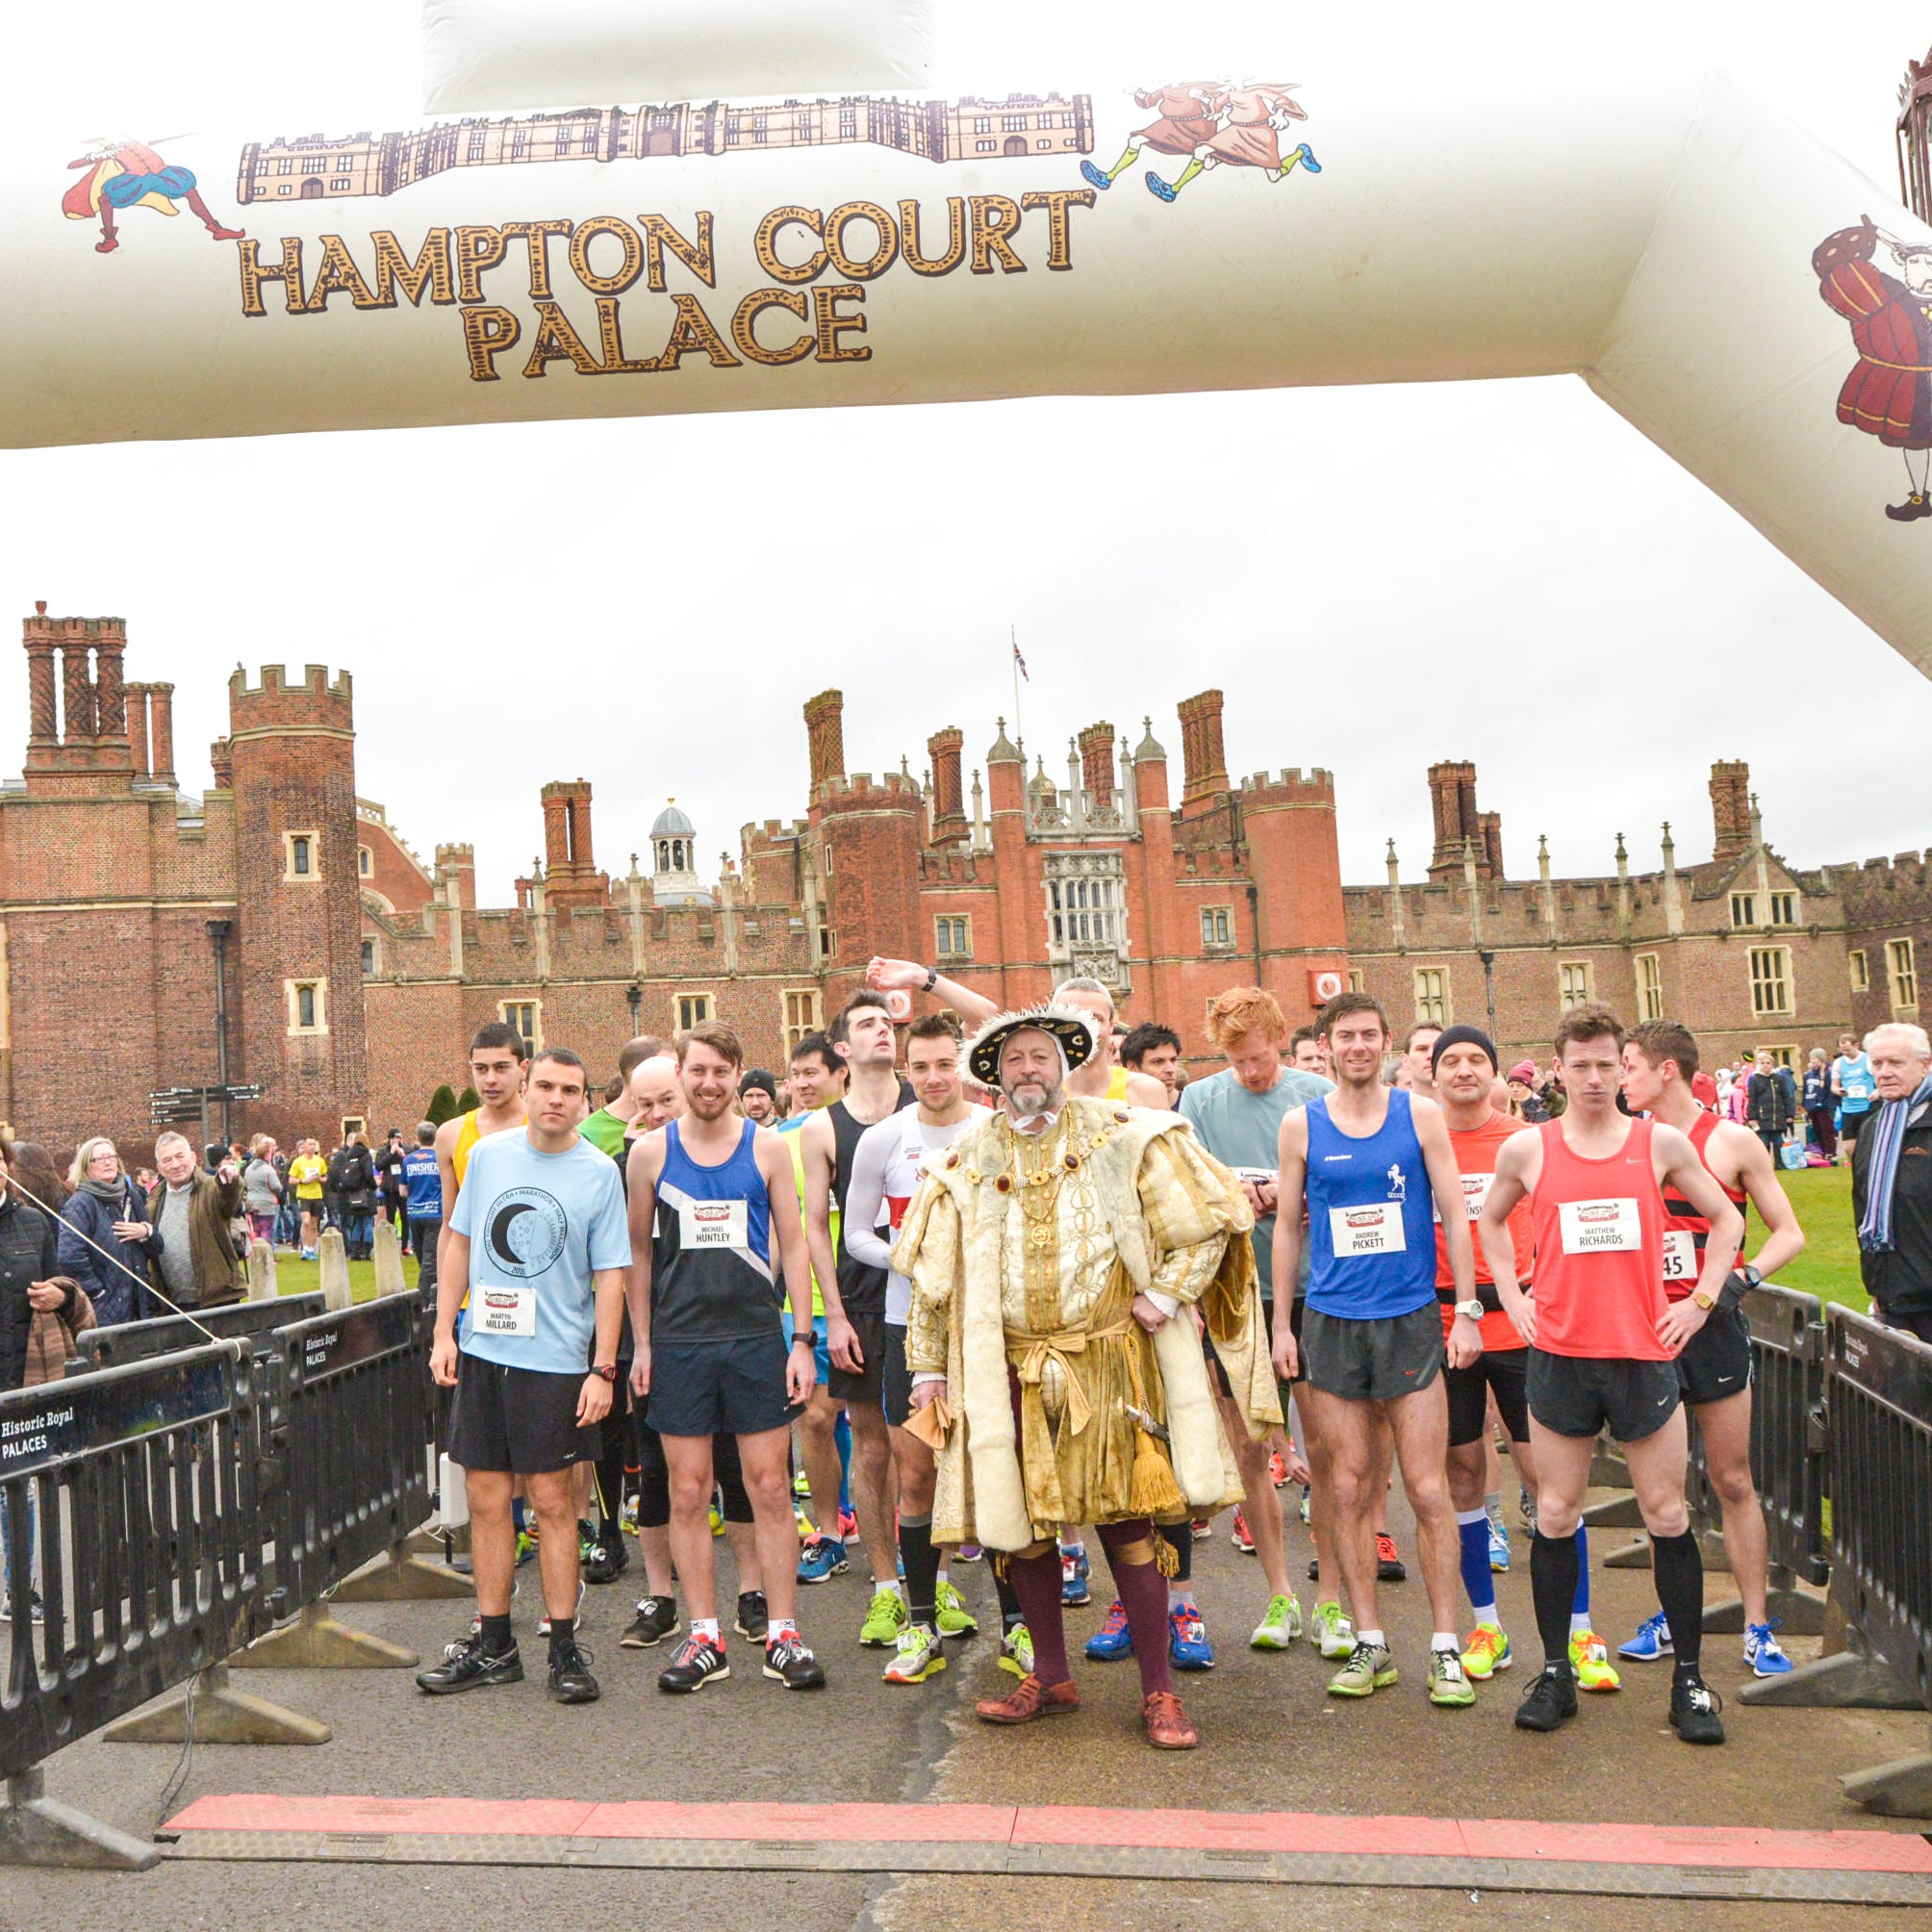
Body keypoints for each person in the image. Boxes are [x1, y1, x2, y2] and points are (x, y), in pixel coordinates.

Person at [896, 1003, 1271, 1749]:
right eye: (1014, 1061)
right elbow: (934, 1280)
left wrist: (1163, 1297)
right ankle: (1052, 1673)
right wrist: (928, 1370)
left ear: (1062, 1066)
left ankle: (1159, 1691)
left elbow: (1210, 1221)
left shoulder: (1122, 1135)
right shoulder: (967, 1156)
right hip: (1005, 1371)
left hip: (1109, 1363)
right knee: (1023, 1530)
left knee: (1129, 1522)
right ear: (995, 1077)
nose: (1028, 1070)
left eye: (1040, 1057)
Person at [1477, 1004, 1742, 1744]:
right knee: (1556, 1514)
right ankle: (1556, 1672)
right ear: (1558, 1068)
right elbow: (1491, 1224)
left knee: (1667, 1516)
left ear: (1622, 1066)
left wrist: (1700, 1302)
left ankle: (1690, 1681)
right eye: (1581, 1065)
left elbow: (1727, 1222)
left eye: (1606, 1064)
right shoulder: (1529, 1150)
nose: (1595, 1078)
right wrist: (1511, 1296)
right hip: (1560, 1356)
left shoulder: (1657, 1143)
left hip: (1645, 1355)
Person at [1272, 992, 1481, 1708]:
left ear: (1386, 1041)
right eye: (1345, 1036)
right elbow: (1288, 1230)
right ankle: (1370, 1641)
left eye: (1368, 1034)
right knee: (1349, 1487)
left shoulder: (1417, 1114)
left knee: (1427, 1489)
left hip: (1410, 1317)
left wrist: (1468, 1311)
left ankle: (1446, 1647)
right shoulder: (1301, 1124)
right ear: (1326, 1047)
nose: (1357, 1046)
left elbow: (1455, 1211)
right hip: (1331, 1320)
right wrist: (1281, 1325)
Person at [419, 1047, 627, 1706]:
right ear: (527, 1089)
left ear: (585, 1099)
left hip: (558, 1361)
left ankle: (564, 1645)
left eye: (570, 1088)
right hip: (486, 1352)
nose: (555, 1099)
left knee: (554, 1503)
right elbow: (460, 1240)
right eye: (546, 1086)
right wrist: (444, 1331)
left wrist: (603, 1368)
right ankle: (494, 1643)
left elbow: (611, 1274)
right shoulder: (487, 1156)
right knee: (485, 1499)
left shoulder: (598, 1173)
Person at [627, 1021, 826, 1693]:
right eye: (698, 1071)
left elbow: (795, 1246)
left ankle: (783, 1633)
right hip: (680, 1342)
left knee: (769, 1488)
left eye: (721, 1071)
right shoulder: (650, 1156)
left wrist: (802, 1338)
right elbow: (637, 1255)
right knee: (687, 1492)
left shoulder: (768, 1148)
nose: (709, 1083)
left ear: (738, 1074)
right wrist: (644, 1344)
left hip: (754, 1340)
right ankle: (703, 1634)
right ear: (679, 1074)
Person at [1615, 1021, 1806, 1678]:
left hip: (1712, 1326)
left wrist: (1740, 1279)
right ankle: (1674, 1615)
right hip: (1647, 1328)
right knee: (1663, 1493)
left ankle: (1757, 1625)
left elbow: (1788, 1233)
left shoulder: (1730, 1141)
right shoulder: (1624, 1140)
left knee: (1731, 1478)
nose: (1620, 1079)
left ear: (1667, 1070)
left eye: (1631, 1066)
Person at [1427, 1026, 1612, 1690]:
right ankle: (1487, 1625)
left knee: (1549, 1482)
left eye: (1477, 1058)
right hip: (1446, 1328)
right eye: (1451, 1060)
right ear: (1434, 1072)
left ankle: (1582, 1632)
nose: (1464, 1069)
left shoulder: (1527, 1140)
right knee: (1464, 1478)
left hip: (1526, 1327)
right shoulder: (1423, 1140)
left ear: (1498, 1073)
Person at [1176, 984, 1332, 1658]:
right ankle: (1279, 1594)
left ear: (1279, 1039)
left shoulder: (1314, 1095)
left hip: (1315, 1291)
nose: (1253, 1073)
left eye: (1262, 1059)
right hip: (1236, 1293)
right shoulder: (1201, 1101)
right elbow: (1193, 1186)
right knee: (1248, 1449)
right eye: (1239, 1063)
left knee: (1325, 1449)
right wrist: (1242, 1196)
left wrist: (1290, 1194)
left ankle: (1333, 1599)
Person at [841, 1012, 982, 1685]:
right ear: (905, 1067)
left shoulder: (991, 1130)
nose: (932, 1078)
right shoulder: (882, 1139)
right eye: (919, 1066)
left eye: (944, 1064)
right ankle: (921, 1624)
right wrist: (913, 1259)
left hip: (984, 1329)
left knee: (991, 1475)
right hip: (905, 1328)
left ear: (965, 1065)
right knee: (917, 1473)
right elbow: (855, 1235)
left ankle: (1017, 1629)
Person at [799, 990, 915, 1647]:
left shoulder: (927, 1102)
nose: (881, 1031)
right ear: (843, 1048)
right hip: (863, 1297)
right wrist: (833, 1317)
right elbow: (818, 1228)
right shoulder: (823, 1126)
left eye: (886, 1023)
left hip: (930, 1295)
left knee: (927, 1442)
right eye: (866, 1025)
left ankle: (932, 1578)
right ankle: (885, 1587)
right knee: (872, 1443)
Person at [775, 1030, 857, 1581]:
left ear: (840, 1073)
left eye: (814, 1074)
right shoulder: (776, 1140)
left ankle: (894, 1527)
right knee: (817, 1420)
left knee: (885, 1429)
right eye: (796, 1075)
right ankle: (829, 1532)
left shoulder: (869, 1130)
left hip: (865, 1296)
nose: (804, 1084)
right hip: (803, 1303)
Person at [1852, 1022, 1932, 1343]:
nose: (1884, 1072)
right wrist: (1876, 1286)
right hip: (1893, 1301)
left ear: (1926, 1064)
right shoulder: (1873, 1129)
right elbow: (1863, 1208)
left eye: (1896, 1063)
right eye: (1877, 1063)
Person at [59, 1137, 162, 1326]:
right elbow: (70, 1257)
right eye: (99, 1159)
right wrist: (97, 1291)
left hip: (140, 1304)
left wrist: (146, 1232)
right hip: (104, 1308)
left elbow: (157, 1247)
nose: (108, 1162)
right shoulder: (80, 1204)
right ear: (86, 1166)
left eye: (111, 1157)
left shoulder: (131, 1195)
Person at [143, 1131, 247, 1311]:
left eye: (180, 1156)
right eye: (167, 1160)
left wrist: (230, 1183)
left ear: (192, 1157)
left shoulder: (211, 1187)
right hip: (172, 1303)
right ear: (159, 1168)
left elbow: (229, 1200)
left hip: (216, 1299)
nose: (175, 1165)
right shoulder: (153, 1199)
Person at [0, 1135, 64, 1392]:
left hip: (28, 1367)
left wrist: (61, 1295)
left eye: (0, 1160)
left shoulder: (34, 1222)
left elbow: (56, 1281)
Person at [580, 1035, 669, 1158]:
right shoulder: (588, 1134)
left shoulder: (680, 1120)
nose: (678, 1076)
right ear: (637, 1073)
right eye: (666, 1068)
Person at [401, 1122, 443, 1292]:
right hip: (435, 1212)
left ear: (417, 1137)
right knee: (431, 1256)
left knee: (421, 1255)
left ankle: (428, 1288)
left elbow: (403, 1191)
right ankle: (425, 1292)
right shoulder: (439, 1158)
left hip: (415, 1212)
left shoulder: (408, 1160)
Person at [327, 1130, 378, 1261]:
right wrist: (374, 1185)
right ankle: (366, 1252)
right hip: (365, 1192)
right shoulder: (365, 1155)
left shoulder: (348, 1154)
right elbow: (368, 1174)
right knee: (367, 1222)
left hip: (352, 1193)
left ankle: (354, 1251)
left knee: (357, 1222)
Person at [1833, 1031, 1879, 1162]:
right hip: (1848, 1108)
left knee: (1869, 1142)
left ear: (1856, 1045)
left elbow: (1879, 1080)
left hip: (1867, 1106)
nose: (1845, 1052)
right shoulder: (1838, 1063)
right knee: (1848, 1147)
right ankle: (1857, 1168)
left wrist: (1877, 1092)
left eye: (1847, 1049)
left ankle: (1871, 1166)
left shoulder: (1868, 1060)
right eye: (1842, 1050)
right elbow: (1834, 1086)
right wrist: (1838, 1090)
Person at [1742, 1051, 1792, 1165]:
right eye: (1763, 1063)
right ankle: (1765, 1165)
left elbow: (1786, 1097)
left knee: (1778, 1142)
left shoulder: (1779, 1079)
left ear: (1772, 1064)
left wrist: (1789, 1114)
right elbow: (1752, 1099)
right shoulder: (1754, 1079)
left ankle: (1779, 1163)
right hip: (1762, 1116)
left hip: (1777, 1116)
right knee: (1763, 1142)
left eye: (1768, 1063)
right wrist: (1752, 1117)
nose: (1765, 1065)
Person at [1121, 1022, 1184, 1106]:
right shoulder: (1118, 1111)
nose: (1170, 1069)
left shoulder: (1193, 1107)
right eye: (1158, 1062)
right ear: (1133, 1067)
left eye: (1173, 1060)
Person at [242, 1135, 283, 1250]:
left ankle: (255, 1254)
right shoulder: (268, 1169)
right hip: (266, 1203)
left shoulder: (249, 1168)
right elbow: (277, 1187)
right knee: (266, 1231)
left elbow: (245, 1184)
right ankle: (266, 1255)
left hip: (251, 1202)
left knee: (255, 1231)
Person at [289, 1138, 326, 1258]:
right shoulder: (298, 1162)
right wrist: (302, 1180)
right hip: (304, 1195)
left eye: (314, 1144)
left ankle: (311, 1248)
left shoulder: (320, 1161)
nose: (312, 1147)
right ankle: (304, 1248)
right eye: (309, 1144)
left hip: (317, 1195)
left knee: (314, 1224)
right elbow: (291, 1179)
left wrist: (319, 1178)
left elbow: (325, 1177)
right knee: (306, 1221)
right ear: (304, 1147)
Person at [1802, 1048, 1837, 1160]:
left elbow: (1829, 1092)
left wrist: (1825, 1104)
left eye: (1814, 1059)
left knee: (1827, 1131)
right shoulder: (1808, 1075)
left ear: (1821, 1059)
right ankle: (1821, 1152)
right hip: (1811, 1107)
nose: (1812, 1061)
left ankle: (1830, 1153)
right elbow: (1805, 1090)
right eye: (1811, 1058)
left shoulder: (1828, 1073)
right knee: (1817, 1131)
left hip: (1824, 1108)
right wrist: (1805, 1105)